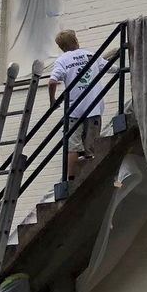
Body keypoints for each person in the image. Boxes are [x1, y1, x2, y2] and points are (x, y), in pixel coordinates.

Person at [47, 29, 109, 183]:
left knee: (73, 145)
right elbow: (110, 68)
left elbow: (52, 81)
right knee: (92, 145)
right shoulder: (90, 55)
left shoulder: (62, 60)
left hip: (74, 109)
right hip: (93, 107)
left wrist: (52, 100)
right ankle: (92, 175)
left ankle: (70, 179)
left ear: (61, 46)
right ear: (75, 40)